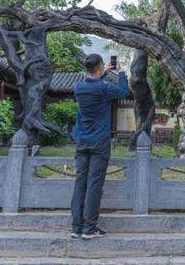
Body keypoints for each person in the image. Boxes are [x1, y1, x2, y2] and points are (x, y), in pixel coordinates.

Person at [70, 53, 129, 239]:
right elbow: (123, 91)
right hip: (100, 142)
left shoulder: (78, 87)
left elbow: (92, 83)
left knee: (80, 183)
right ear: (101, 67)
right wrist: (120, 74)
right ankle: (90, 228)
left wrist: (102, 73)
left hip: (82, 141)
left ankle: (76, 227)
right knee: (94, 185)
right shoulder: (104, 88)